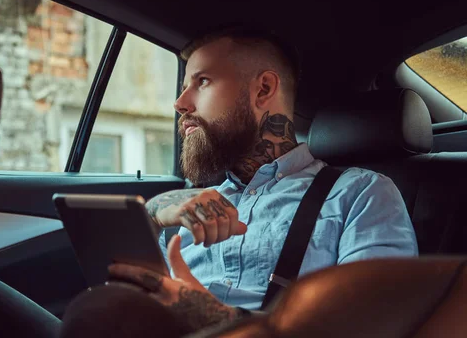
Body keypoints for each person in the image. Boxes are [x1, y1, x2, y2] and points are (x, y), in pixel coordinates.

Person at [62, 27, 418, 336]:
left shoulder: (361, 194)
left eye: (202, 81)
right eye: (185, 85)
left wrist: (218, 320)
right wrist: (155, 210)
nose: (180, 103)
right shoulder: (194, 205)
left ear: (263, 89)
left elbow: (378, 327)